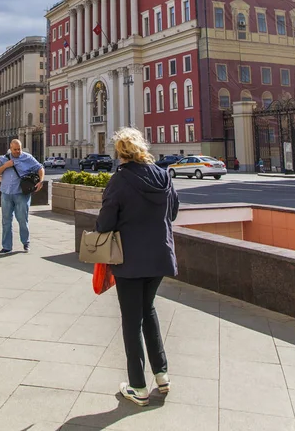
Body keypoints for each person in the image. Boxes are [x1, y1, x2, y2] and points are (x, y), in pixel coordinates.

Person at [96, 127, 179, 407]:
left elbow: (105, 224)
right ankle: (162, 374)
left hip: (129, 259)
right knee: (148, 310)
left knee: (132, 321)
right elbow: (173, 211)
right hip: (159, 257)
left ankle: (138, 386)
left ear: (119, 152)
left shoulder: (119, 181)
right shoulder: (163, 174)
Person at [0, 139, 44, 254]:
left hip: (21, 194)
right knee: (6, 220)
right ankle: (6, 246)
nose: (17, 151)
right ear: (10, 149)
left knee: (22, 219)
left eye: (19, 149)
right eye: (15, 149)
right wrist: (6, 166)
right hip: (6, 193)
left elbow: (40, 168)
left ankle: (26, 242)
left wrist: (40, 181)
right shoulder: (4, 159)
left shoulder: (27, 158)